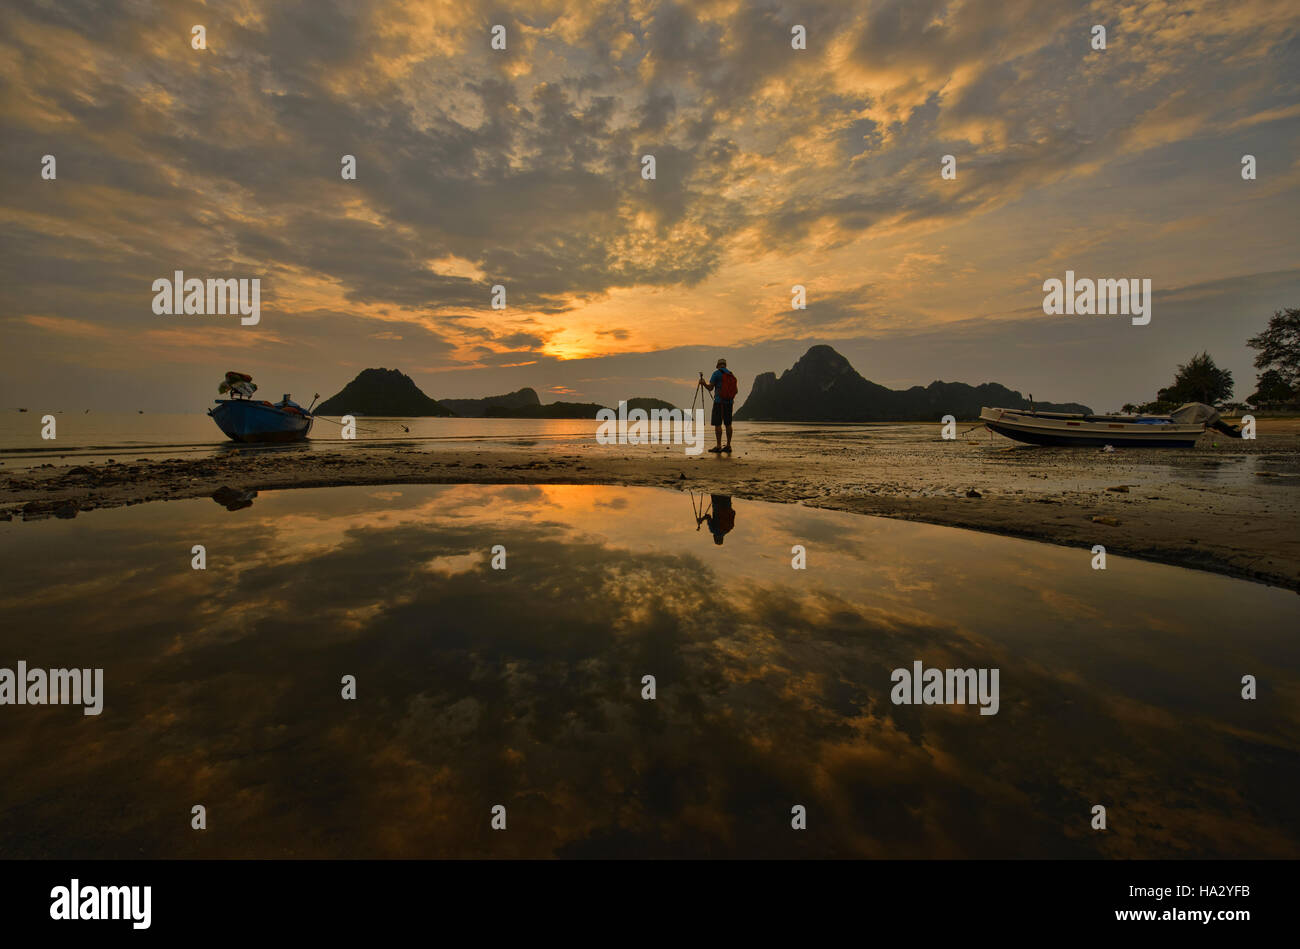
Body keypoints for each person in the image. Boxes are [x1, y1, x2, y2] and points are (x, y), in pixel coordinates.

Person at [699, 358, 737, 454]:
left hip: (719, 402)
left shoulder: (716, 374)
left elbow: (710, 388)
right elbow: (736, 390)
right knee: (728, 424)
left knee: (718, 424)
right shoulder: (731, 374)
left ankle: (719, 446)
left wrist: (703, 383)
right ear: (725, 365)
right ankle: (728, 445)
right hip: (729, 403)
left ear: (718, 365)